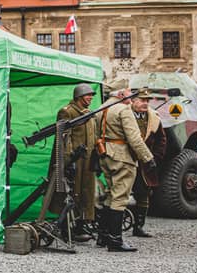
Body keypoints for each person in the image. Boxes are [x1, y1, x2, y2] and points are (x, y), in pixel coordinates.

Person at [96, 82, 156, 252]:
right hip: (122, 157)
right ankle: (115, 240)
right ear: (122, 93)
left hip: (105, 154)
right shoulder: (123, 110)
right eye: (129, 92)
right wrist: (148, 158)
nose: (131, 96)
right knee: (120, 196)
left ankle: (103, 235)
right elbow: (134, 138)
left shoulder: (101, 108)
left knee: (110, 193)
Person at [42, 83, 100, 238]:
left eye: (91, 95)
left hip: (86, 160)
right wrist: (68, 161)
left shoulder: (88, 113)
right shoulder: (67, 112)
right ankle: (67, 228)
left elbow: (94, 136)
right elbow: (64, 138)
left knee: (86, 193)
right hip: (73, 160)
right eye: (88, 95)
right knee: (71, 193)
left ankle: (81, 225)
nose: (90, 98)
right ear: (79, 96)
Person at [129, 88, 167, 238]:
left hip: (145, 163)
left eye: (147, 101)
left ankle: (139, 227)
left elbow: (161, 140)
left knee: (143, 193)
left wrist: (155, 158)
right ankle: (112, 229)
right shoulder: (125, 115)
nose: (145, 103)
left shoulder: (153, 118)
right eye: (142, 100)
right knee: (120, 193)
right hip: (127, 159)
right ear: (133, 101)